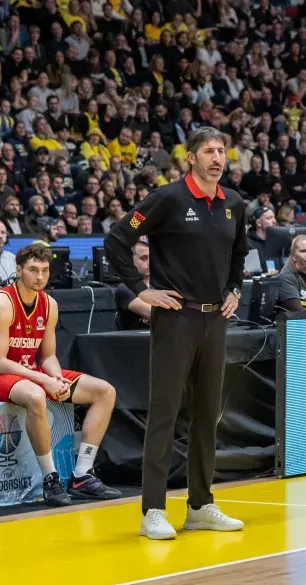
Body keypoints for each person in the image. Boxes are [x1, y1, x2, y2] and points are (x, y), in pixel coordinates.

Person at [104, 126, 247, 541]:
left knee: (207, 413)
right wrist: (140, 288)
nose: (217, 158)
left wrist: (234, 290)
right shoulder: (168, 197)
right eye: (209, 151)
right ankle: (152, 508)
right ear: (192, 158)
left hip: (215, 319)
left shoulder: (233, 203)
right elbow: (117, 238)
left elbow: (239, 254)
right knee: (165, 412)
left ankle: (200, 505)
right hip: (175, 317)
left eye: (222, 150)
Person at [0, 243, 121, 504]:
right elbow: (0, 362)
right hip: (4, 373)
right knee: (35, 395)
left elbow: (48, 356)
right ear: (19, 271)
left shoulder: (50, 304)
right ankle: (50, 479)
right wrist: (44, 379)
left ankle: (81, 475)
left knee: (105, 392)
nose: (40, 277)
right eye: (33, 270)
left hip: (30, 372)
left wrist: (55, 377)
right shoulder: (4, 302)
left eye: (44, 270)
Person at [115, 238, 152, 329]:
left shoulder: (161, 284)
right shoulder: (126, 287)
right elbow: (151, 312)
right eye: (143, 258)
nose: (149, 263)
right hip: (136, 341)